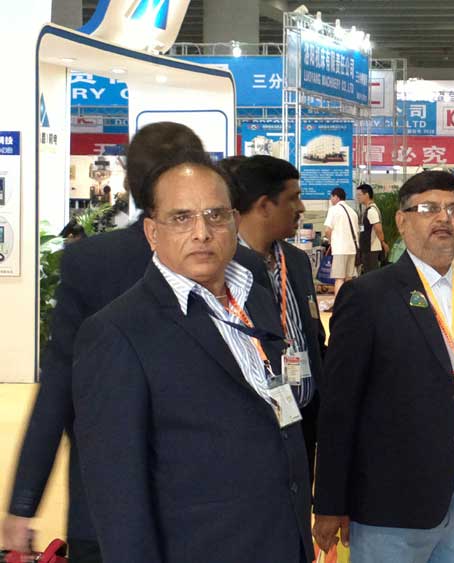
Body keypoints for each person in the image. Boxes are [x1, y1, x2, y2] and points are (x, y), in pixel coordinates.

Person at [2, 122, 268, 561]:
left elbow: (58, 389)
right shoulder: (239, 261)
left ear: (130, 182)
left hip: (107, 512)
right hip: (224, 517)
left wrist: (22, 503)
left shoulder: (93, 262)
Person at [71, 155, 312, 562]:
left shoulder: (254, 297)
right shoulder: (117, 333)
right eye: (181, 218)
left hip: (281, 542)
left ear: (235, 221)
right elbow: (117, 496)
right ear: (152, 232)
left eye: (215, 215)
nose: (202, 233)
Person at [312, 171, 454, 563]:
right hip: (390, 500)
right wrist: (330, 502)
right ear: (402, 221)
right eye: (428, 208)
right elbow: (339, 410)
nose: (443, 218)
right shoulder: (367, 296)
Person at [232, 154, 326, 477]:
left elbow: (313, 337)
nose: (301, 207)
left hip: (304, 421)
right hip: (252, 432)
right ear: (263, 206)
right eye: (293, 198)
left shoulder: (296, 261)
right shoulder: (224, 269)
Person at [323, 187, 360, 298]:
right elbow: (357, 232)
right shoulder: (353, 212)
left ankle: (339, 303)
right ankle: (349, 302)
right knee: (349, 278)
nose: (330, 199)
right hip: (352, 249)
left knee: (339, 278)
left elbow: (327, 230)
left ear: (336, 197)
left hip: (340, 249)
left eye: (331, 197)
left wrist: (331, 241)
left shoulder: (334, 209)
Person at [357, 184, 388, 275]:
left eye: (359, 195)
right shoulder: (368, 210)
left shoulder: (371, 211)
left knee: (371, 275)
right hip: (367, 249)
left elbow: (378, 229)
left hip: (371, 249)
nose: (357, 197)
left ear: (367, 195)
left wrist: (383, 242)